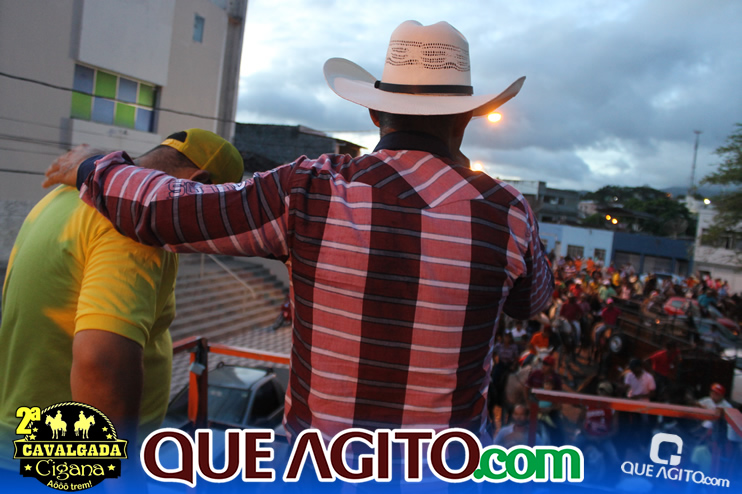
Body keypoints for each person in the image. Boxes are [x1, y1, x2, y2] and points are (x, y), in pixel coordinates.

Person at [44, 21, 554, 443]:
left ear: (374, 111)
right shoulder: (508, 212)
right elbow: (531, 302)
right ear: (466, 117)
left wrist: (92, 166)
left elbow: (165, 211)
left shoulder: (312, 190)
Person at [0, 129, 243, 469]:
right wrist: (121, 475)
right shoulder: (135, 225)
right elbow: (102, 360)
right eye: (209, 213)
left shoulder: (62, 195)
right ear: (197, 183)